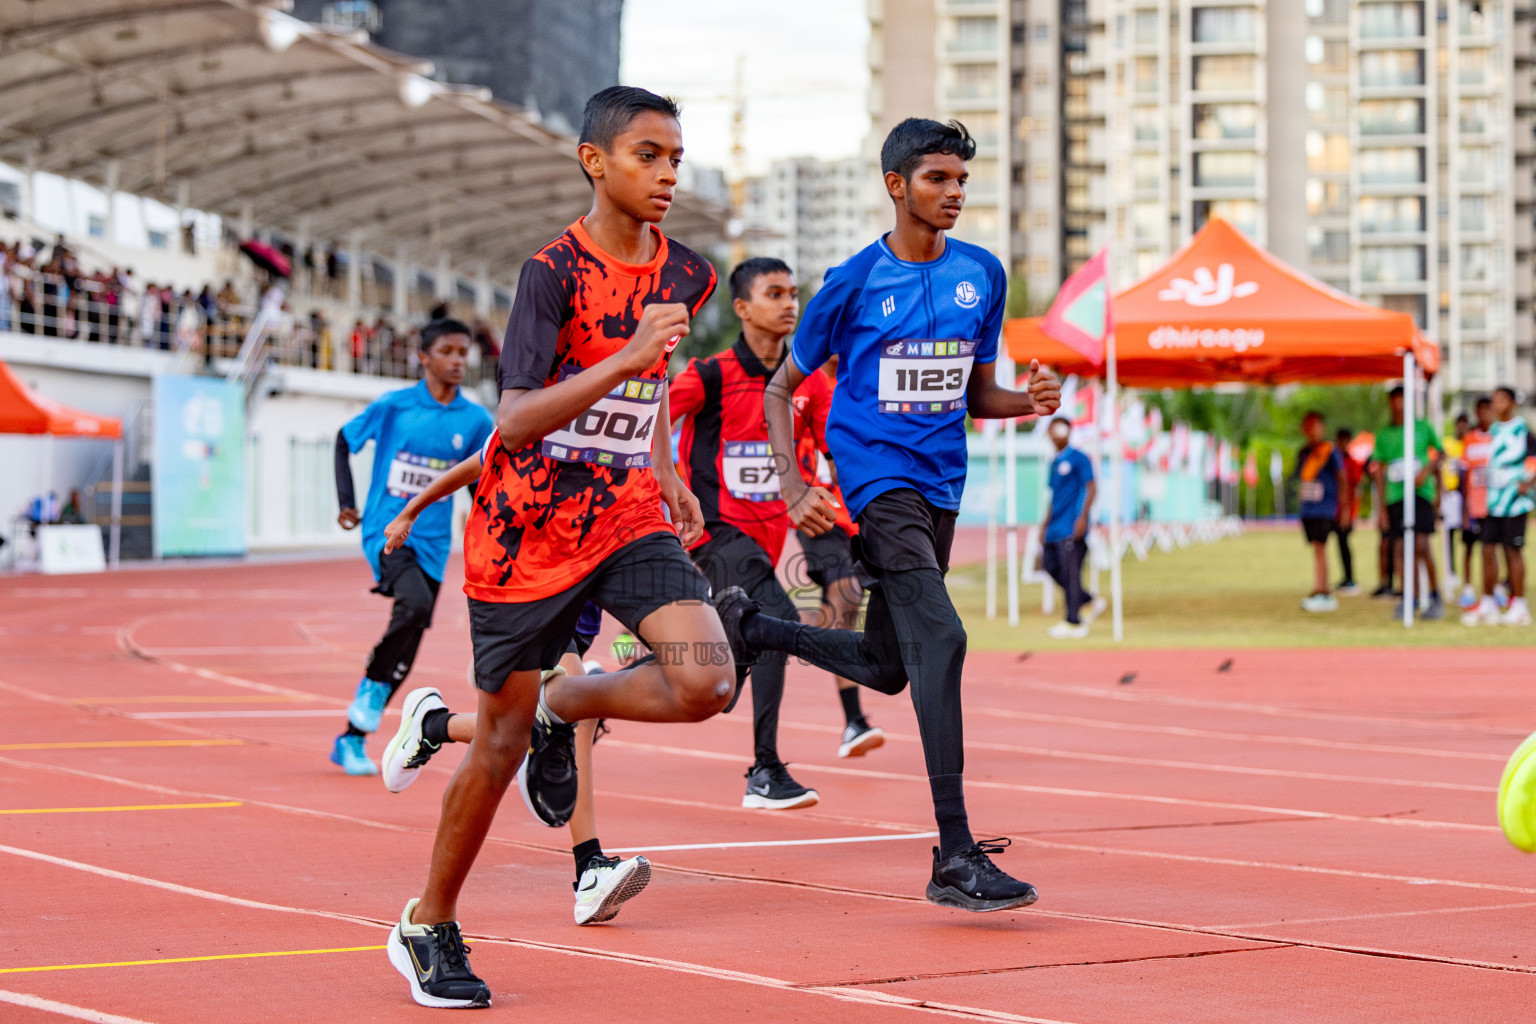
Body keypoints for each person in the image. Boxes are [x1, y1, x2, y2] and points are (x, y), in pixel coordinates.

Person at [386, 86, 732, 1009]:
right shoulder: (553, 274)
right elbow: (519, 415)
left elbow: (653, 389)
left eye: (674, 159)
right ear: (595, 161)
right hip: (524, 531)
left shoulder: (687, 273)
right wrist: (619, 359)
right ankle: (427, 924)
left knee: (706, 678)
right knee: (495, 745)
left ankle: (562, 706)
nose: (665, 174)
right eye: (646, 155)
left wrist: (666, 471)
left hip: (626, 514)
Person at [761, 117, 1060, 914]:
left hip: (941, 488)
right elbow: (780, 389)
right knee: (945, 637)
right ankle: (955, 853)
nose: (955, 193)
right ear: (897, 185)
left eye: (962, 179)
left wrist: (1026, 403)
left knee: (893, 665)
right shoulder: (852, 282)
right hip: (875, 480)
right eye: (938, 178)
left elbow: (976, 395)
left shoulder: (983, 275)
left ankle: (759, 629)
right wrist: (795, 485)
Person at [378, 435, 652, 926]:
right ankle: (589, 868)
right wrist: (410, 512)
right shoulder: (537, 424)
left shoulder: (623, 443)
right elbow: (471, 468)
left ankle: (433, 725)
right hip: (526, 600)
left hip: (580, 609)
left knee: (523, 729)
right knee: (573, 713)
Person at [670, 256, 876, 810]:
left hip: (764, 542)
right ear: (742, 308)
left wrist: (864, 520)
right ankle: (764, 770)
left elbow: (841, 451)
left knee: (718, 666)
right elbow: (647, 423)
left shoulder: (807, 383)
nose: (790, 304)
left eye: (793, 293)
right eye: (774, 293)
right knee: (780, 619)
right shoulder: (709, 376)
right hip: (712, 533)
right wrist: (663, 489)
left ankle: (587, 696)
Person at [330, 318, 495, 776]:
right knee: (414, 604)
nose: (459, 360)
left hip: (434, 543)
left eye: (464, 352)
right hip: (385, 531)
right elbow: (345, 439)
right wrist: (347, 503)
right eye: (448, 351)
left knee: (416, 621)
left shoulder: (476, 420)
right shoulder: (395, 406)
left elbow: (476, 481)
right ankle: (370, 695)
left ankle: (351, 736)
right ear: (423, 357)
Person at [792, 352, 885, 759]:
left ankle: (852, 720)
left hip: (854, 511)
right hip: (813, 505)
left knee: (854, 602)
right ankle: (854, 718)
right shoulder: (804, 379)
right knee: (844, 592)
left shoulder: (861, 381)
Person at [1370, 384, 1444, 619]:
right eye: (1395, 400)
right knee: (1400, 548)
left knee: (1421, 545)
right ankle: (1408, 597)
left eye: (1403, 399)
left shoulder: (1422, 428)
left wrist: (1427, 472)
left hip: (1421, 494)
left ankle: (1434, 596)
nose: (1399, 405)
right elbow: (1379, 471)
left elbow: (1440, 453)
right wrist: (1381, 508)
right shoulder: (1383, 435)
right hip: (1395, 496)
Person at [1463, 386, 1534, 626]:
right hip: (1493, 502)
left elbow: (1533, 459)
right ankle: (1488, 602)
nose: (1496, 403)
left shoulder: (1522, 429)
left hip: (1514, 502)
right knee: (1487, 548)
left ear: (1512, 403)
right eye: (1494, 399)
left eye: (1501, 399)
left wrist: (1526, 482)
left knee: (1512, 551)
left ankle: (1520, 606)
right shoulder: (1493, 431)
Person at [1039, 416, 1103, 637]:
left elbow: (1091, 487)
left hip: (1071, 525)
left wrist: (1083, 517)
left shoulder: (1079, 458)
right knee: (1050, 566)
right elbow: (1053, 497)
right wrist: (1043, 526)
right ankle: (1085, 598)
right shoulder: (1054, 462)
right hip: (1054, 527)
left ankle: (1073, 621)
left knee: (1070, 572)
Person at [1296, 411, 1347, 612]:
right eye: (1307, 425)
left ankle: (1322, 589)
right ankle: (1319, 587)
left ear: (1322, 427)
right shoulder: (1303, 452)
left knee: (1320, 547)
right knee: (1315, 548)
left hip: (1324, 508)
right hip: (1308, 508)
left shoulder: (1329, 450)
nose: (1311, 429)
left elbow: (1342, 478)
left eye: (1315, 425)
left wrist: (1343, 508)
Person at [1457, 398, 1494, 611]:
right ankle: (1468, 588)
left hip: (1493, 506)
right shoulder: (1469, 440)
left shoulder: (1497, 438)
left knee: (1492, 549)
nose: (1484, 414)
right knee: (1470, 548)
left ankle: (1494, 588)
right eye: (1480, 410)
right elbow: (1463, 477)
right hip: (1473, 506)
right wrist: (1464, 509)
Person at [1333, 427, 1362, 595]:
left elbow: (1355, 488)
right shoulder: (1335, 460)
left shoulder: (1352, 463)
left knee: (1344, 543)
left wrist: (1349, 513)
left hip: (1346, 511)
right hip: (1334, 510)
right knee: (1339, 543)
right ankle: (1345, 577)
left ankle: (1350, 578)